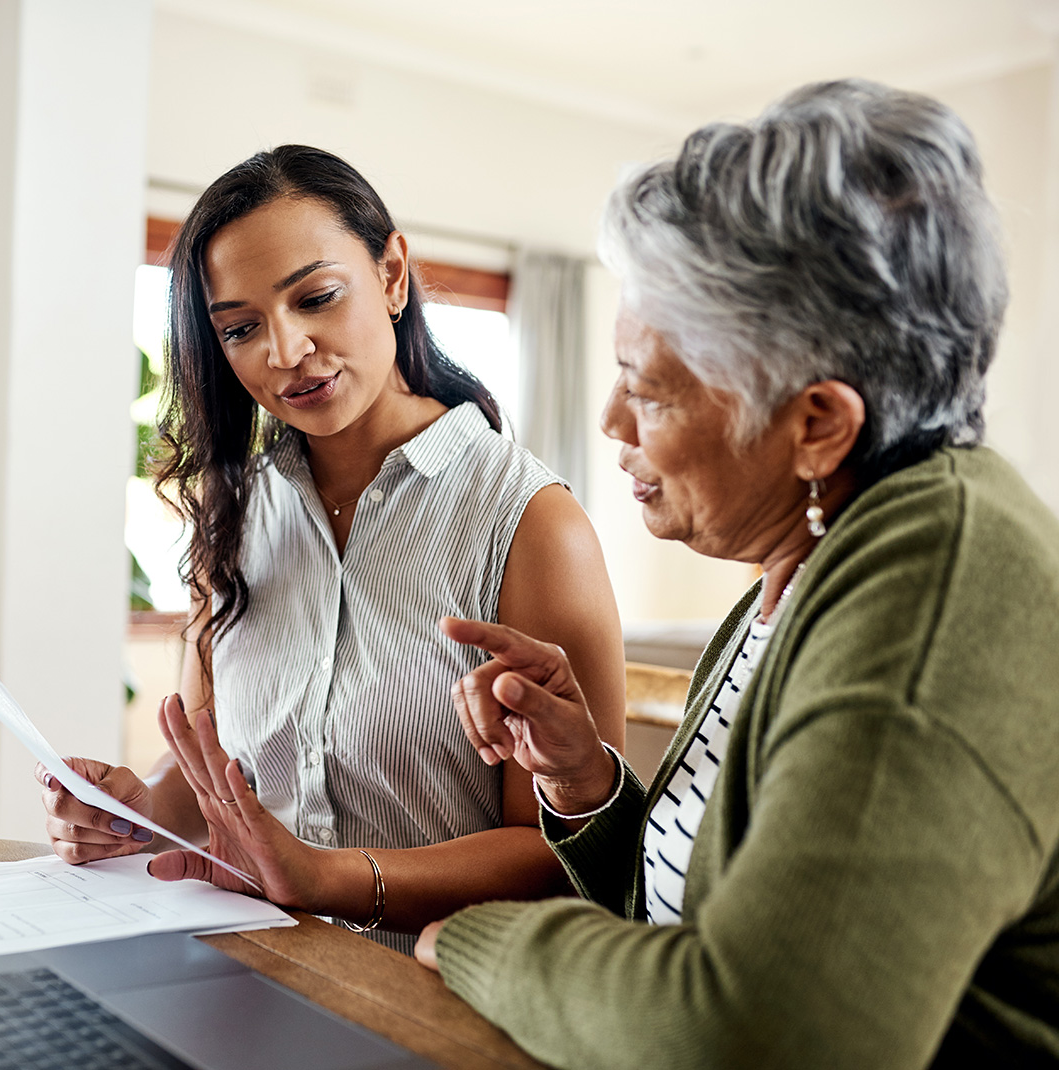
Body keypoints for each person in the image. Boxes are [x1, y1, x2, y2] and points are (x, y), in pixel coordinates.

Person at [413, 79, 1059, 1067]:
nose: (612, 424)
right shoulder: (807, 559)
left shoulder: (934, 587)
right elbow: (695, 923)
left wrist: (472, 934)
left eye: (648, 389)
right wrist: (587, 778)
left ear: (817, 425)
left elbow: (753, 1030)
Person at [36, 145, 626, 954]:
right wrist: (132, 812)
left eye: (315, 297)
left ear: (392, 275)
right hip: (247, 972)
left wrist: (327, 876)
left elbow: (567, 852)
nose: (284, 352)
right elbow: (216, 772)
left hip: (429, 996)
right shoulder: (233, 511)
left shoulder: (531, 524)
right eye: (241, 328)